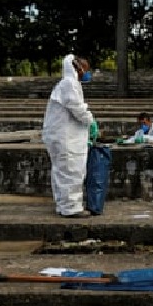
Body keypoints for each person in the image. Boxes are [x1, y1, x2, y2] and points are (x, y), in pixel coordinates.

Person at [42, 54, 95, 218]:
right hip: (65, 137)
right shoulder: (69, 84)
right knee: (71, 171)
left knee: (62, 171)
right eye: (84, 69)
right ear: (77, 69)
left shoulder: (70, 84)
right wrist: (91, 121)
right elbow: (77, 108)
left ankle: (63, 205)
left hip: (62, 135)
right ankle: (71, 207)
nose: (86, 73)